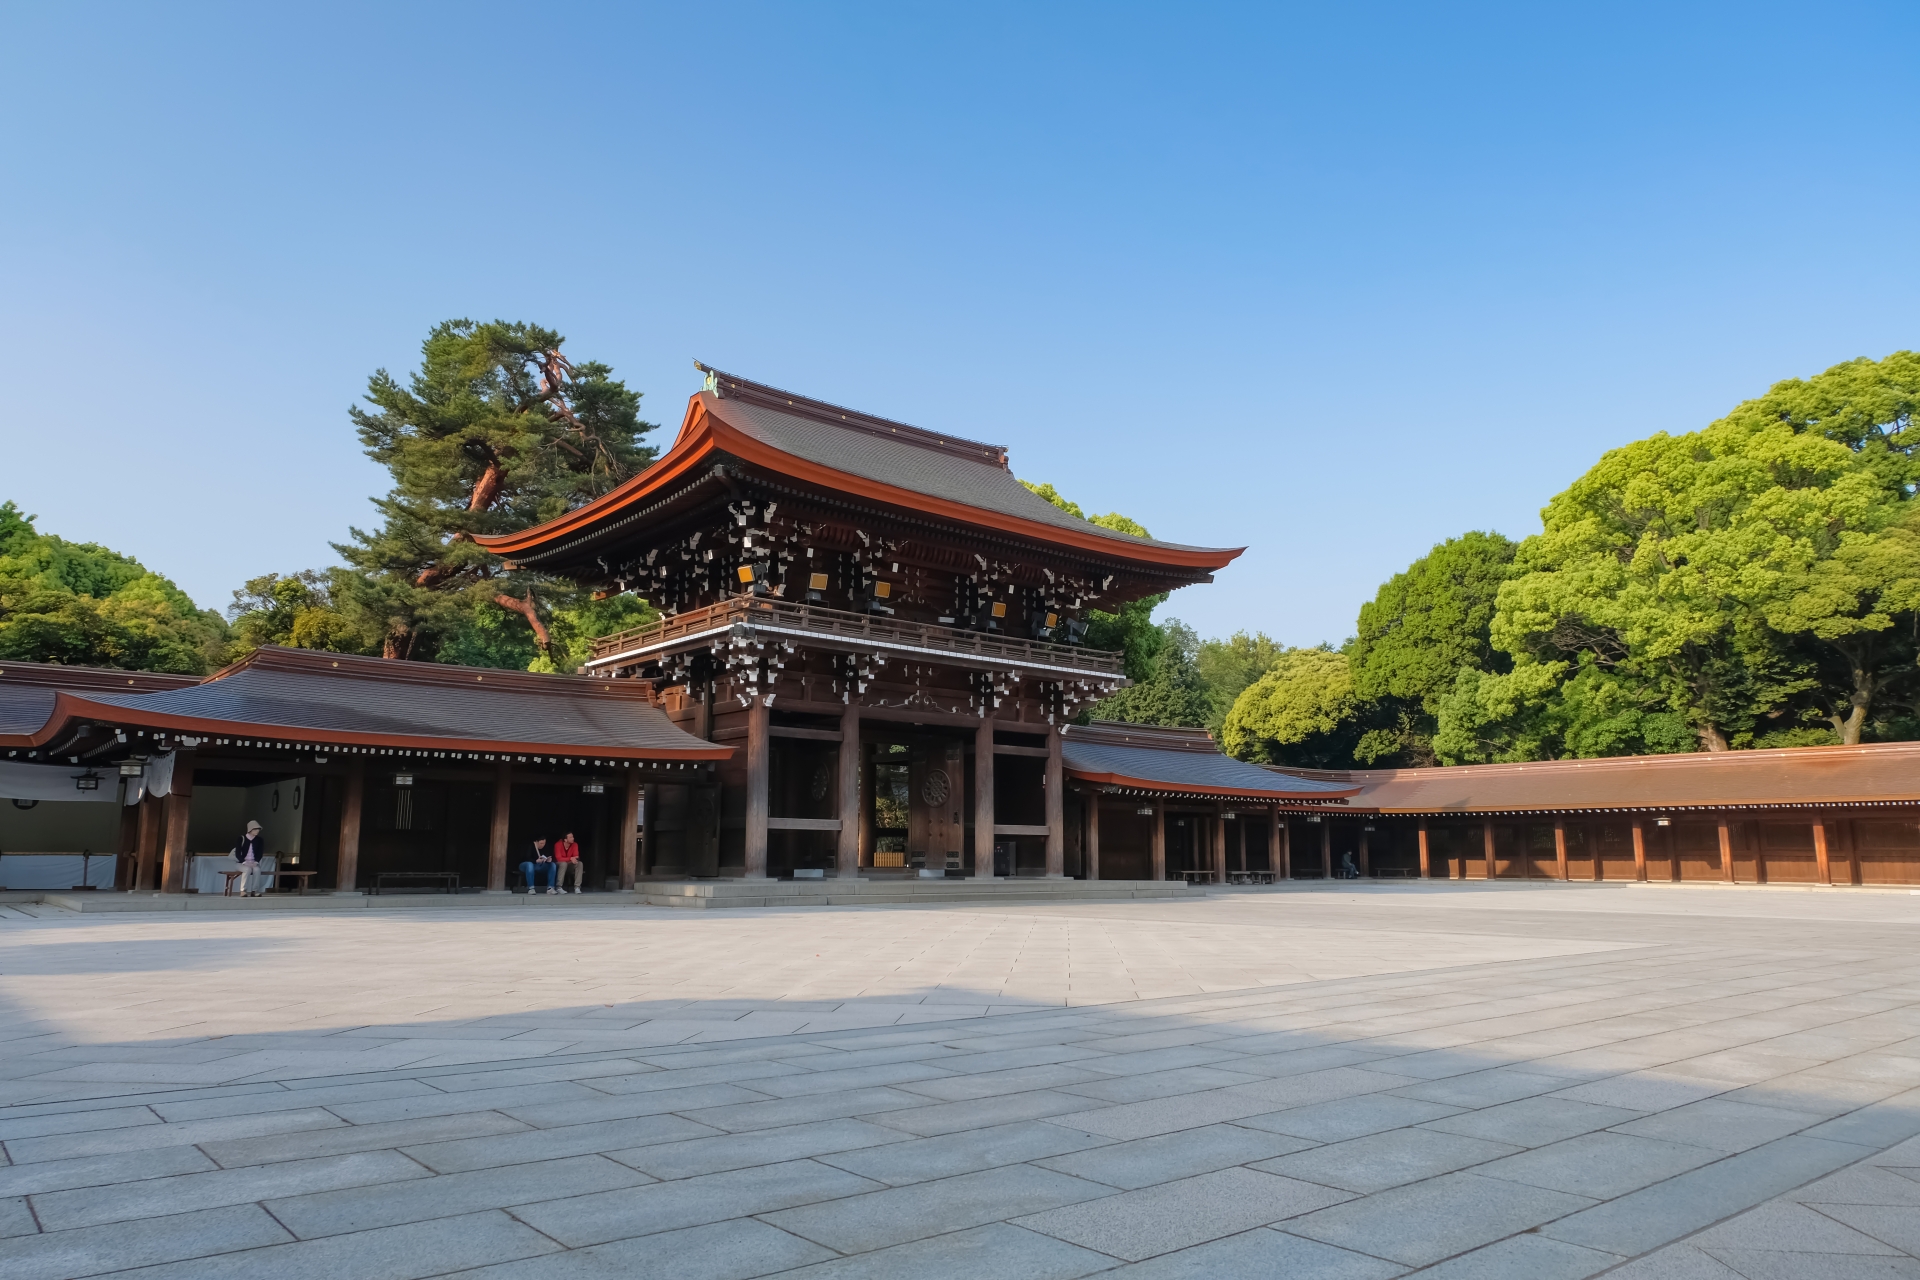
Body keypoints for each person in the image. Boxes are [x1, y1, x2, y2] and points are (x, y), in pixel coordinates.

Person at [233, 821, 267, 896]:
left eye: (258, 829)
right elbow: (237, 853)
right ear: (250, 830)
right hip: (241, 863)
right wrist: (244, 862)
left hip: (253, 862)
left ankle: (255, 890)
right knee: (247, 869)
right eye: (255, 829)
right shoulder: (241, 838)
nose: (257, 831)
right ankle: (243, 890)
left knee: (257, 869)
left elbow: (260, 853)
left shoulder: (259, 840)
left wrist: (256, 862)